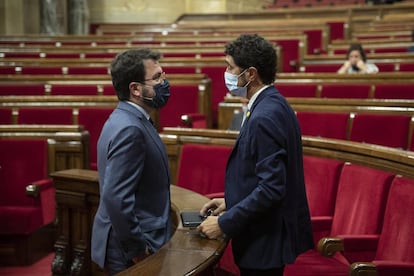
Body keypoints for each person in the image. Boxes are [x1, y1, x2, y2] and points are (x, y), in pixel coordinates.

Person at [197, 34, 314, 276]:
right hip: (265, 236)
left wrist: (224, 223)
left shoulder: (265, 115)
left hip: (264, 242)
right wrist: (232, 201)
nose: (227, 73)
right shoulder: (273, 103)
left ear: (250, 73)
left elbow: (272, 188)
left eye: (231, 67)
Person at [91, 48, 172, 275]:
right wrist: (138, 251)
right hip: (128, 249)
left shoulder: (128, 118)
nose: (164, 83)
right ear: (135, 89)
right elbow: (116, 198)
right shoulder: (129, 128)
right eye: (157, 78)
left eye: (163, 75)